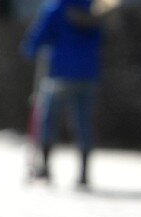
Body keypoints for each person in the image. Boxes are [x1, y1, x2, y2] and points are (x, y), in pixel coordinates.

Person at [24, 0, 104, 188]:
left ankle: (45, 167)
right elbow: (100, 36)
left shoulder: (55, 7)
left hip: (60, 72)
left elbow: (39, 37)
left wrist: (30, 49)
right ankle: (84, 173)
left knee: (48, 119)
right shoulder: (92, 7)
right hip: (88, 73)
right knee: (83, 121)